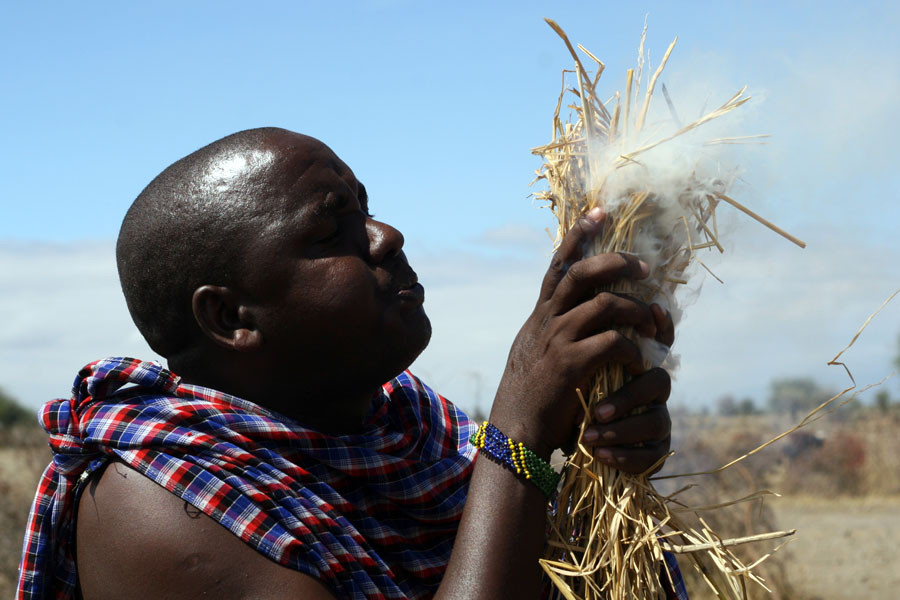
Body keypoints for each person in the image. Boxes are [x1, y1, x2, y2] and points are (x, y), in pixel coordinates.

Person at [18, 128, 678, 600]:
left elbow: (535, 552)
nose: (386, 236)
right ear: (231, 319)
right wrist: (521, 433)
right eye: (330, 231)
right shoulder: (154, 507)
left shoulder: (413, 429)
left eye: (365, 207)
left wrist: (591, 468)